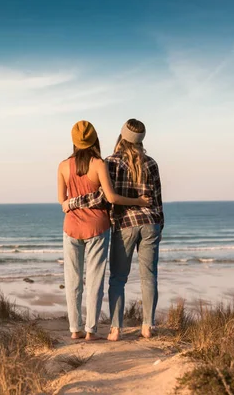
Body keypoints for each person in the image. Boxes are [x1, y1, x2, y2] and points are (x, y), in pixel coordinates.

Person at [63, 119, 164, 341]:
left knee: (118, 278)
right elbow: (157, 200)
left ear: (121, 136)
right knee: (149, 277)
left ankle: (116, 329)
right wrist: (159, 226)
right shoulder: (151, 163)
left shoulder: (112, 162)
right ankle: (148, 326)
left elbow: (103, 197)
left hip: (124, 224)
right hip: (151, 224)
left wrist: (73, 202)